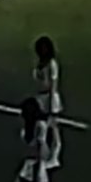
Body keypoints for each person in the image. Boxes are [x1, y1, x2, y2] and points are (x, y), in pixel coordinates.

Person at [32, 34, 63, 170]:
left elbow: (53, 86)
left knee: (53, 129)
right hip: (41, 98)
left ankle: (55, 156)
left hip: (50, 99)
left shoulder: (52, 64)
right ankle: (44, 155)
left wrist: (51, 106)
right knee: (43, 127)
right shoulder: (40, 63)